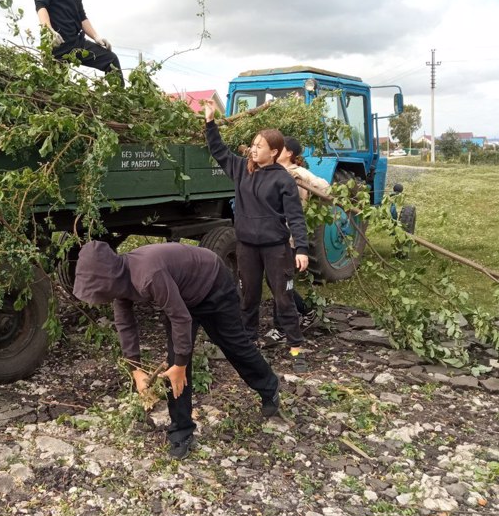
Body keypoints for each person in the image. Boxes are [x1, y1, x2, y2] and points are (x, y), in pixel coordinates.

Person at [72, 240, 282, 460]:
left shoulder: (148, 274)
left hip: (212, 283)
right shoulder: (120, 283)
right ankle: (181, 430)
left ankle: (269, 386)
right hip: (182, 296)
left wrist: (181, 364)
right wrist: (136, 369)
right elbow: (125, 324)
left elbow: (180, 318)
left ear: (108, 277)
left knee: (233, 344)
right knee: (174, 363)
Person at [203, 103, 311, 372]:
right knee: (248, 297)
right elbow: (218, 151)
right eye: (253, 144)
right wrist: (209, 123)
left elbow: (295, 217)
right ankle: (247, 341)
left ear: (274, 152)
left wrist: (302, 249)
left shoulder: (284, 180)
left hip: (276, 249)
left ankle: (296, 349)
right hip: (247, 247)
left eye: (259, 146)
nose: (253, 149)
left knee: (283, 298)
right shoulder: (242, 169)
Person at [271, 135, 332, 332]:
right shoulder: (272, 169)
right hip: (271, 234)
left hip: (289, 233)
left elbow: (325, 188)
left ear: (289, 153)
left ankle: (282, 327)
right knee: (276, 281)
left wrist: (300, 180)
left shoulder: (298, 172)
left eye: (280, 147)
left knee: (280, 281)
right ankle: (305, 312)